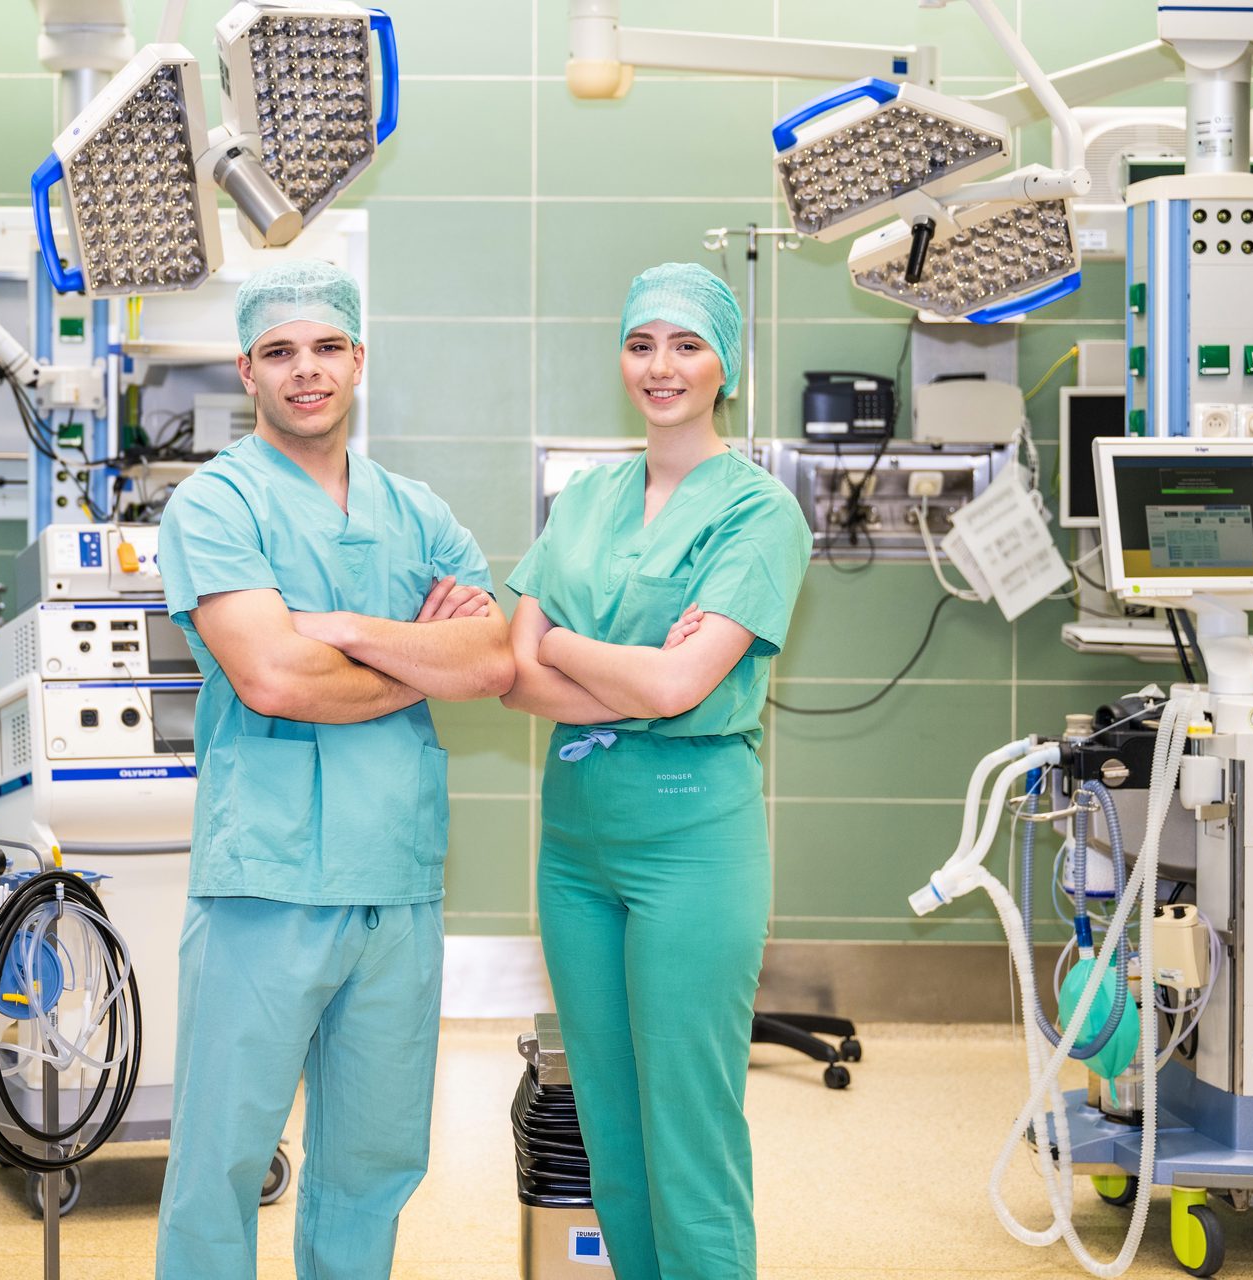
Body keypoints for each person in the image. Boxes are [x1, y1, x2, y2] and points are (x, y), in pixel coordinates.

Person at [153, 259, 515, 1280]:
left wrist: (348, 631)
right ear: (247, 372)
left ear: (359, 359)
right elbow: (272, 676)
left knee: (375, 1162)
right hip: (267, 878)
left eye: (325, 347)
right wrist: (422, 655)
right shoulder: (216, 504)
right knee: (222, 1160)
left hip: (396, 877)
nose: (304, 370)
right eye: (278, 352)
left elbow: (494, 659)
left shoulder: (419, 511)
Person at [500, 263, 812, 1280]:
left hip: (691, 841)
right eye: (641, 344)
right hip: (575, 847)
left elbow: (676, 685)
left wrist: (569, 647)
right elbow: (513, 674)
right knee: (611, 1126)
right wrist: (629, 673)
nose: (660, 366)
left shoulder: (761, 513)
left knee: (688, 1129)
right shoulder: (586, 496)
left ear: (728, 367)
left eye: (686, 345)